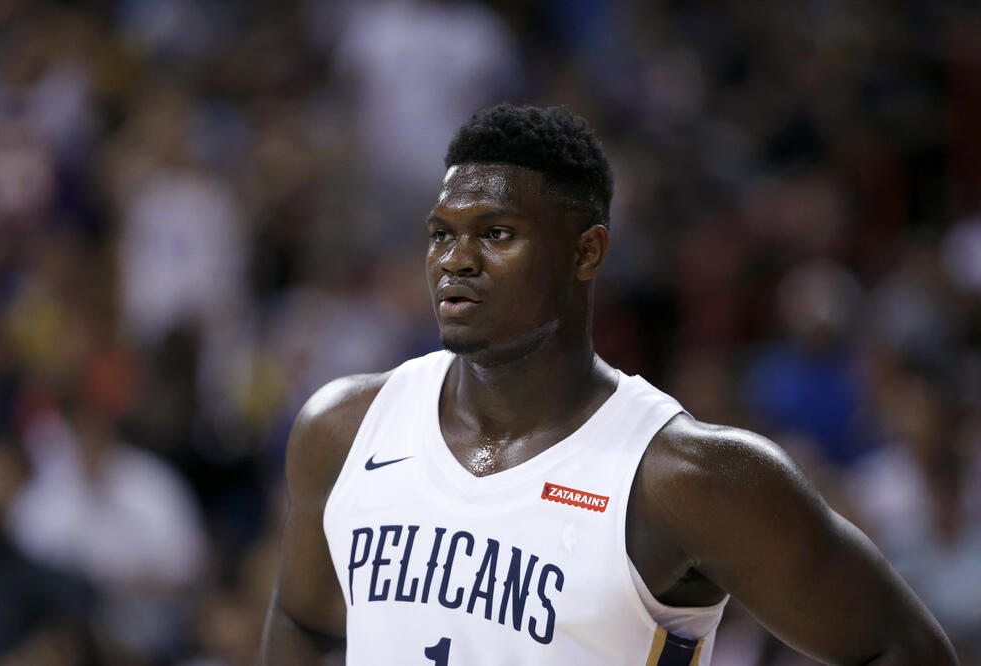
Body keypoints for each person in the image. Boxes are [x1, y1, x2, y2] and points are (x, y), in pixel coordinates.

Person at [260, 104, 957, 665]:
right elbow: (305, 621)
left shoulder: (688, 474)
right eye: (441, 234)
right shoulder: (345, 426)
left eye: (496, 233)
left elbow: (903, 649)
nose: (456, 261)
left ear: (586, 251)